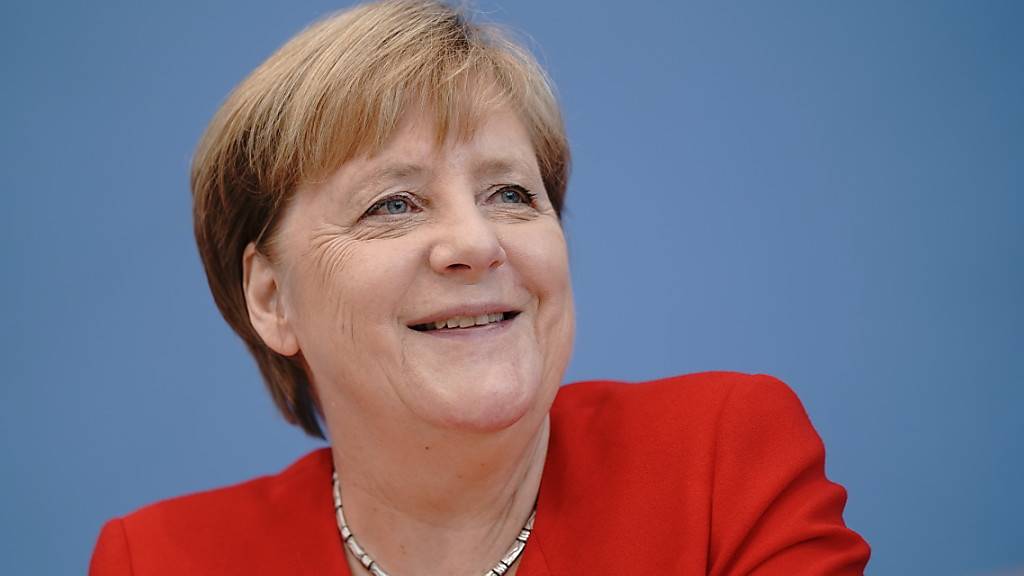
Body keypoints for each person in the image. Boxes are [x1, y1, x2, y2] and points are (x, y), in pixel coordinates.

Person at [90, 0, 870, 574]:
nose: (475, 242)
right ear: (271, 299)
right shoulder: (160, 558)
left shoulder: (721, 462)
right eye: (392, 203)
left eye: (511, 195)